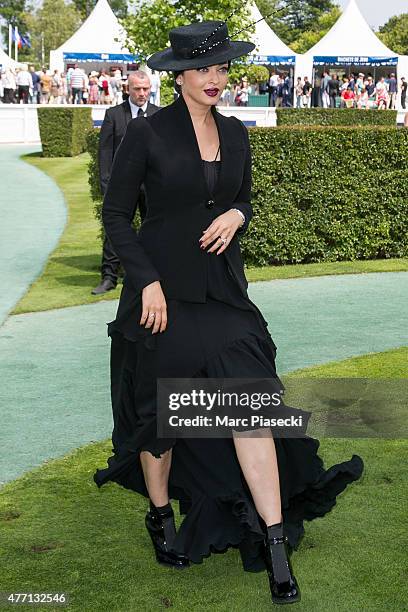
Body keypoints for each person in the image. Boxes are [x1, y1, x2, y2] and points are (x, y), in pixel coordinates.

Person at [93, 18, 364, 605]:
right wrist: (147, 284)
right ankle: (161, 516)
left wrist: (238, 215)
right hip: (160, 295)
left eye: (222, 68)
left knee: (252, 404)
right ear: (180, 76)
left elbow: (240, 196)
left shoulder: (237, 133)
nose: (216, 78)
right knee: (160, 415)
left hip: (223, 294)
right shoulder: (149, 135)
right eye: (205, 69)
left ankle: (274, 545)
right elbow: (117, 216)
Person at [92, 71, 160, 295]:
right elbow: (105, 153)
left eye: (146, 89)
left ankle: (154, 276)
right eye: (137, 89)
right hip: (121, 188)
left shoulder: (159, 115)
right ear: (127, 89)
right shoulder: (113, 115)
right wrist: (107, 187)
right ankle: (109, 276)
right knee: (115, 232)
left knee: (155, 232)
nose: (142, 93)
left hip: (151, 187)